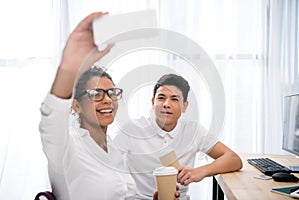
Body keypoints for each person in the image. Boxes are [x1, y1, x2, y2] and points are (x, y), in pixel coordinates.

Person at [39, 12, 179, 200]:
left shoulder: (113, 150)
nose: (107, 100)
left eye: (112, 93)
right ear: (76, 105)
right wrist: (69, 67)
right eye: (96, 94)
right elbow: (52, 115)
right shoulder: (66, 145)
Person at [113, 73, 243, 199]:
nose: (166, 104)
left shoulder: (193, 131)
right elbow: (105, 163)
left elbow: (234, 159)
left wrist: (200, 171)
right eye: (161, 98)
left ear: (184, 106)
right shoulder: (133, 129)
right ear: (153, 102)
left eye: (174, 99)